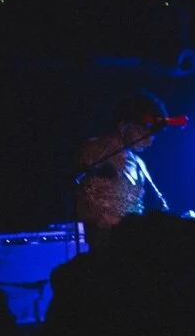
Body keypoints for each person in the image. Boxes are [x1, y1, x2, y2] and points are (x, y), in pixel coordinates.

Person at [73, 91, 173, 239]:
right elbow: (89, 207)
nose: (149, 140)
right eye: (142, 131)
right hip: (100, 244)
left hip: (130, 244)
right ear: (123, 124)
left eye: (153, 135)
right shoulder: (96, 151)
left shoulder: (139, 163)